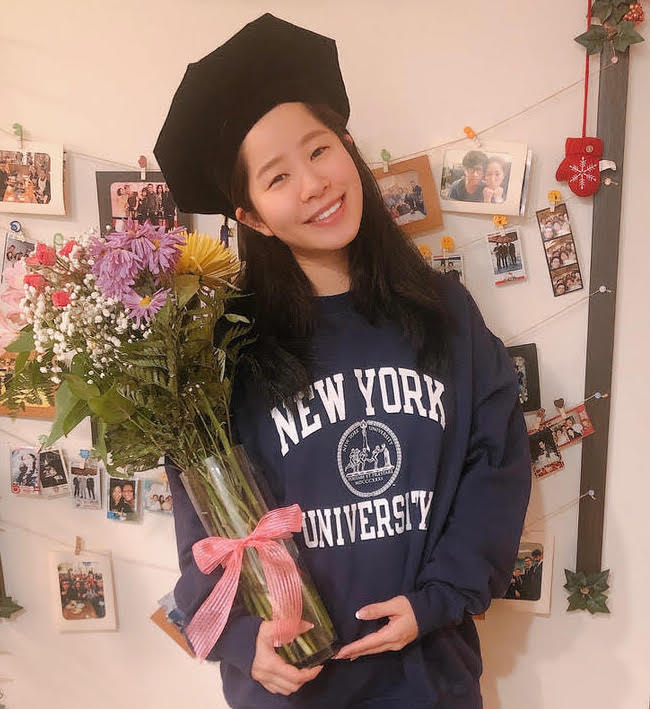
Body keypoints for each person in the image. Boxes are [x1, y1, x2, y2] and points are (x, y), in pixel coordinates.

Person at [154, 14, 530, 709]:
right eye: (278, 176)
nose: (314, 184)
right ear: (254, 216)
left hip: (429, 681)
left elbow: (497, 459)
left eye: (320, 150)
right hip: (295, 693)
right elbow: (203, 526)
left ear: (349, 148)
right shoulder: (226, 351)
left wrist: (440, 595)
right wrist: (244, 639)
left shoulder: (444, 314)